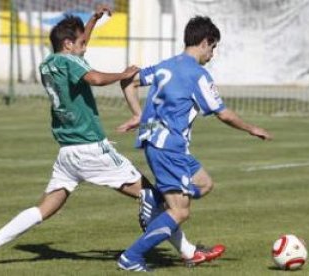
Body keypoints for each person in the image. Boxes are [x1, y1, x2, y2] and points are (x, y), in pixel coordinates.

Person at [0, 7, 222, 267]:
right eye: (81, 43)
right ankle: (184, 253)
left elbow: (79, 51)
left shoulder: (49, 63)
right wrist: (123, 74)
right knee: (154, 196)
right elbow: (94, 78)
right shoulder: (70, 62)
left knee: (43, 210)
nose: (86, 46)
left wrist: (93, 19)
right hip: (91, 149)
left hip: (67, 153)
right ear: (69, 44)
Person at [116, 16, 273, 272]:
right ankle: (131, 256)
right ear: (204, 42)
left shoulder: (165, 65)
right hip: (169, 147)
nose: (212, 54)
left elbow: (128, 81)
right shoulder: (198, 74)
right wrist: (252, 128)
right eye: (213, 48)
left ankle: (161, 204)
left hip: (158, 142)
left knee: (204, 183)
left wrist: (139, 115)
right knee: (180, 212)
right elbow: (223, 113)